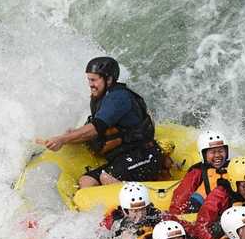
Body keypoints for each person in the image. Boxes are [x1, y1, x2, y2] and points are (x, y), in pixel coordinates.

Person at [36, 57, 162, 189]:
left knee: (106, 177)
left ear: (109, 79)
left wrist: (62, 139)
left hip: (144, 155)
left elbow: (96, 128)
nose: (90, 84)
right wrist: (70, 137)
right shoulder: (100, 98)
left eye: (94, 80)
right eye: (89, 79)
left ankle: (139, 202)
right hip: (121, 159)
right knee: (86, 181)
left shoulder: (119, 97)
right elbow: (95, 131)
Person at [168, 130, 230, 214]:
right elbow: (181, 196)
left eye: (221, 151)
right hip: (207, 213)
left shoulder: (233, 167)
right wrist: (175, 215)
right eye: (213, 152)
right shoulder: (197, 172)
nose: (217, 155)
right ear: (203, 154)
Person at [101, 182, 165, 239]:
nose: (140, 215)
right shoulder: (114, 218)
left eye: (143, 209)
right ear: (125, 211)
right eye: (135, 211)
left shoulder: (155, 216)